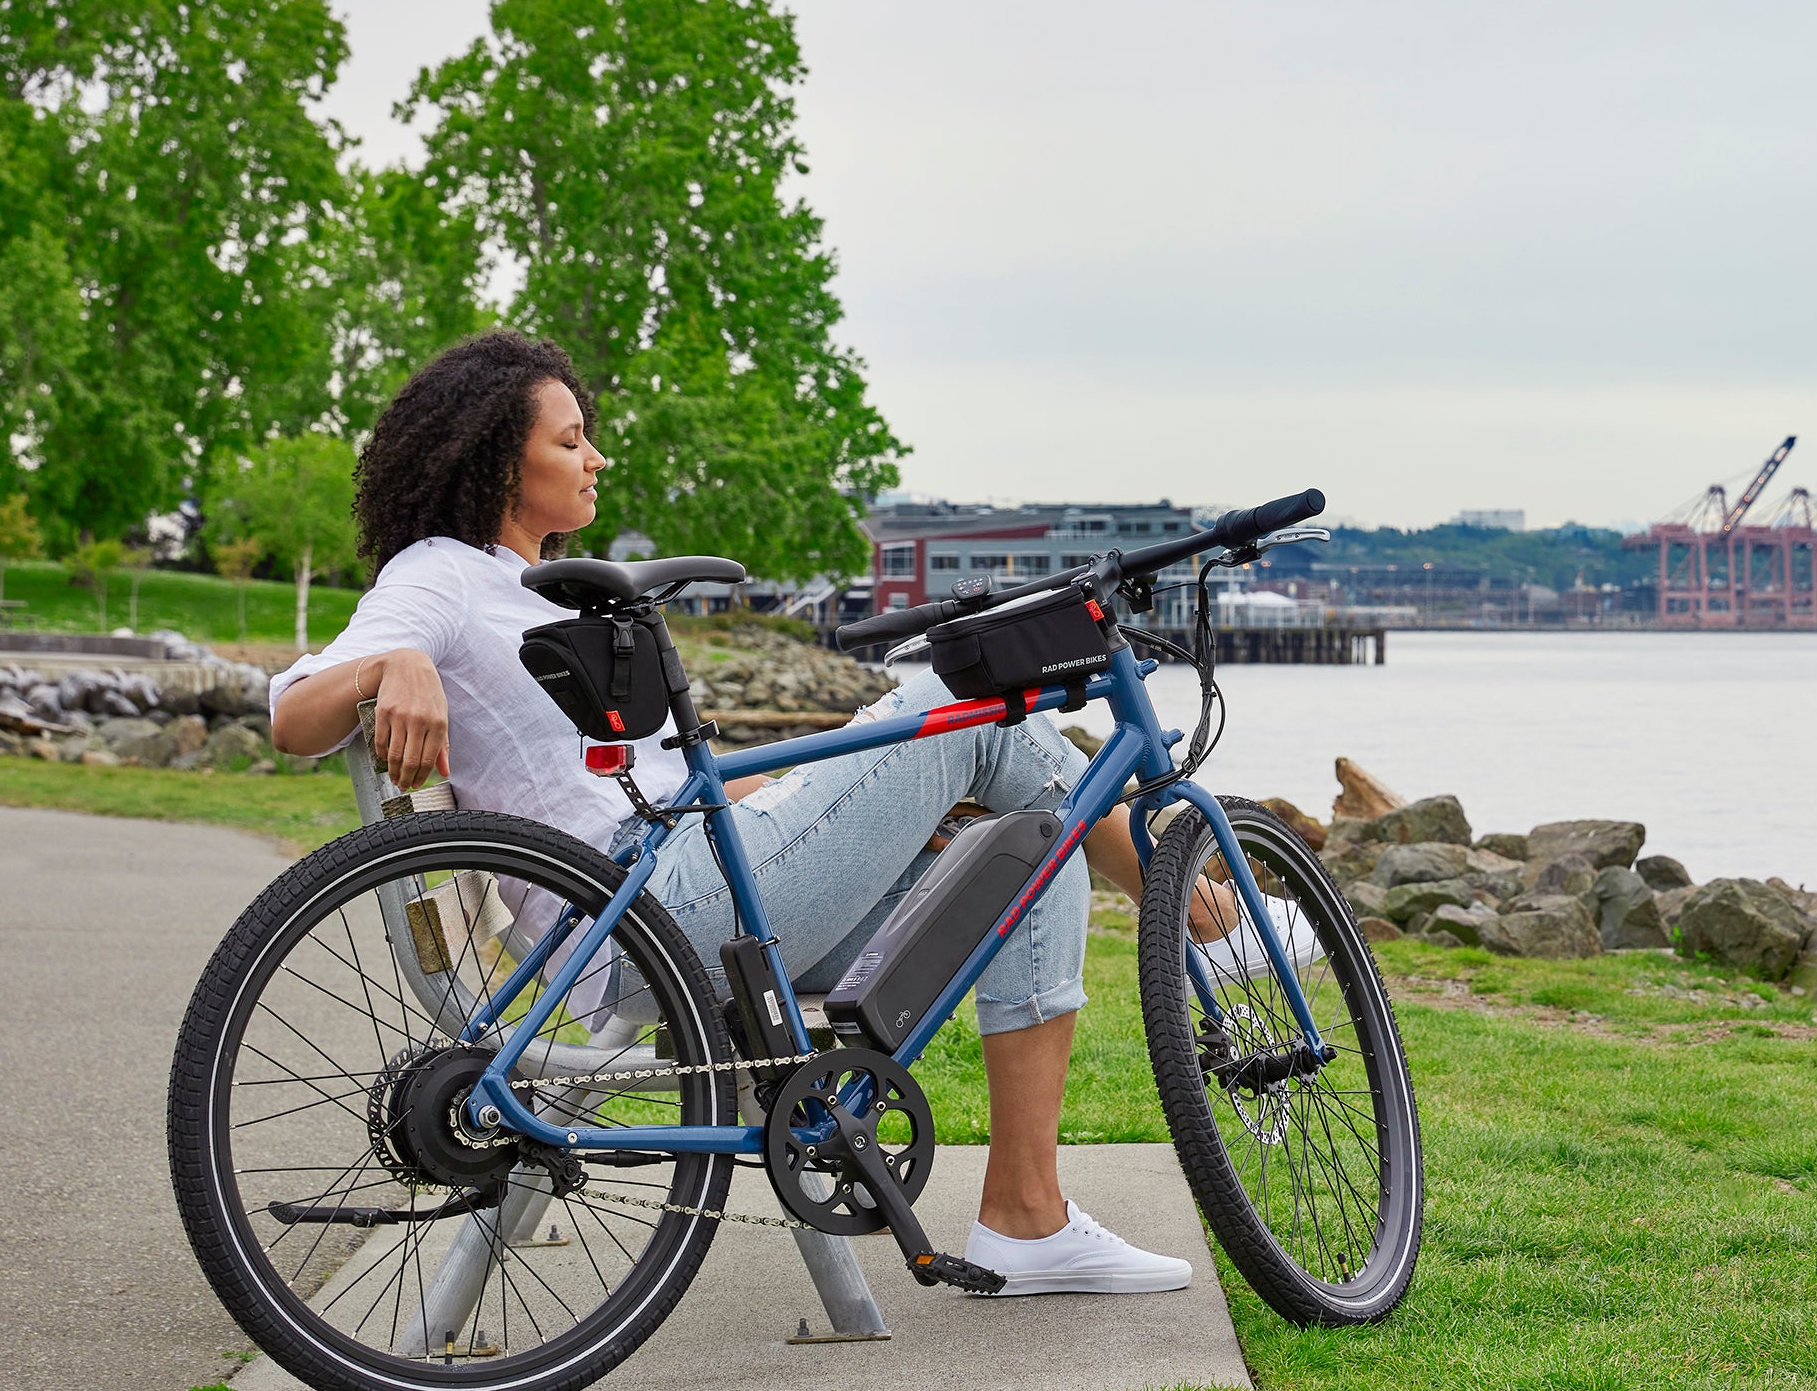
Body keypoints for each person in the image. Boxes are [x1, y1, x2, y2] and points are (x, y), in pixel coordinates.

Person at [270, 330, 1200, 1294]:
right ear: (498, 457)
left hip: (681, 896)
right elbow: (293, 714)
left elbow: (677, 786)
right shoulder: (442, 574)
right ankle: (1202, 924)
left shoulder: (538, 594)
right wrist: (393, 663)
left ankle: (1027, 1217)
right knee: (953, 711)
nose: (597, 458)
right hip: (644, 917)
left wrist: (874, 814)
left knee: (1028, 858)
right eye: (570, 440)